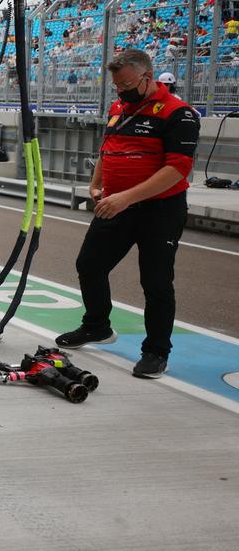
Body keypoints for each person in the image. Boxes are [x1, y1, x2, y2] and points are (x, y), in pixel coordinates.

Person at [56, 49, 199, 379]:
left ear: (148, 77)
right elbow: (108, 149)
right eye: (116, 85)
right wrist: (97, 186)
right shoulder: (120, 107)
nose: (120, 91)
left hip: (160, 210)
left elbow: (178, 170)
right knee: (89, 264)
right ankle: (96, 326)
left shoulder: (180, 114)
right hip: (115, 204)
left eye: (126, 84)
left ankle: (156, 351)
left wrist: (126, 198)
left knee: (156, 281)